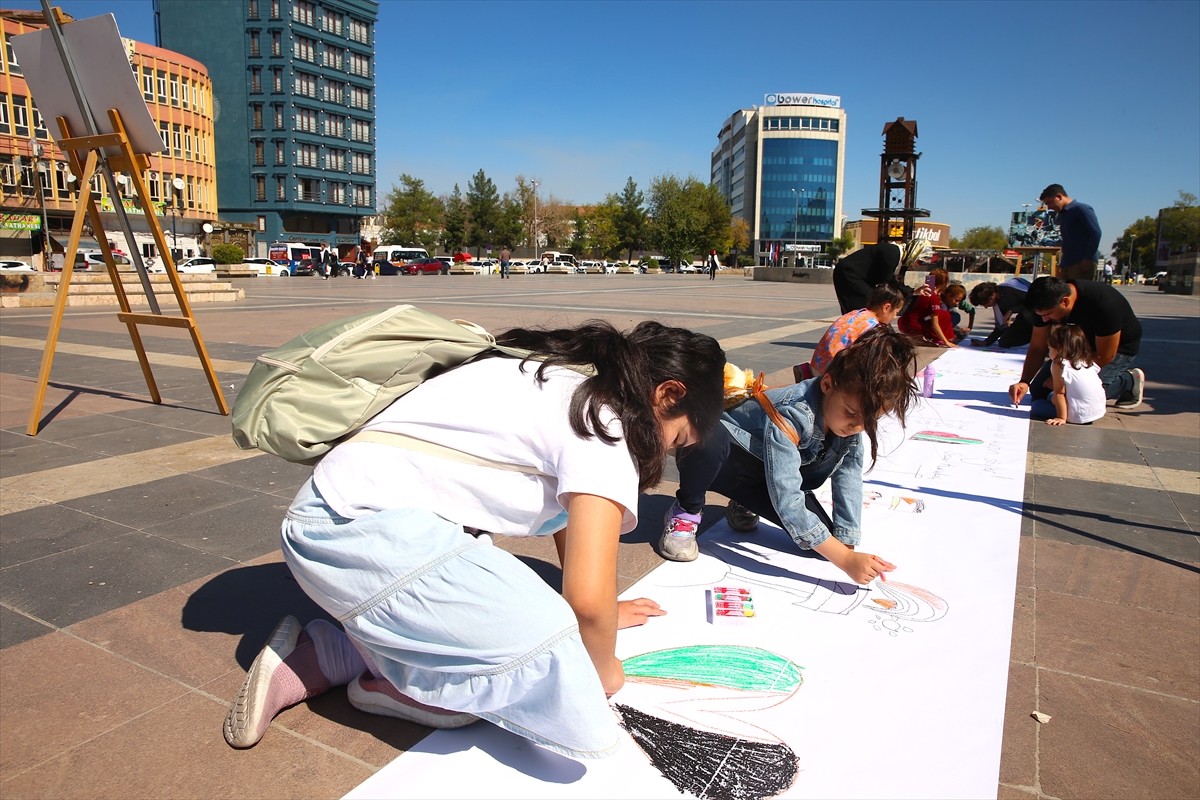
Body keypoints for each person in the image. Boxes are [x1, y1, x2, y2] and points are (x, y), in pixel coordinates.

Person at [223, 320, 726, 760]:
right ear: (668, 395)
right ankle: (393, 681)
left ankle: (329, 650)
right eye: (679, 439)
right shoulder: (605, 428)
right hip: (352, 535)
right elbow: (585, 607)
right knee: (545, 648)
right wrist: (602, 671)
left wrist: (603, 608)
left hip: (349, 521)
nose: (668, 452)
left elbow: (570, 527)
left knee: (533, 618)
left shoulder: (563, 377)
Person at [660, 326, 919, 586]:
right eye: (851, 413)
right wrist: (845, 560)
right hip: (728, 460)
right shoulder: (794, 414)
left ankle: (745, 500)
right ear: (827, 384)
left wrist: (846, 541)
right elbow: (788, 497)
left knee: (821, 543)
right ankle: (687, 509)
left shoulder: (851, 421)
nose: (857, 426)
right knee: (708, 440)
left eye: (868, 420)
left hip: (766, 471)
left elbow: (848, 474)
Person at [1008, 276, 1144, 411]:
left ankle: (1129, 380)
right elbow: (1038, 347)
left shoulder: (1103, 304)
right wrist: (1024, 381)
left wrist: (1065, 381)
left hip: (1117, 349)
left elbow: (1106, 355)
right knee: (1039, 391)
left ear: (1065, 302)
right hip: (1077, 348)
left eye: (1048, 315)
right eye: (1041, 315)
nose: (1044, 320)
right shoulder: (1044, 305)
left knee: (1081, 396)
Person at [795, 281, 905, 381]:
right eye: (896, 312)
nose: (895, 317)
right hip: (830, 374)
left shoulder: (857, 313)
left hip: (816, 365)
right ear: (886, 307)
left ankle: (807, 374)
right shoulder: (873, 327)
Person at [1030, 323, 1106, 426]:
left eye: (1050, 349)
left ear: (1060, 349)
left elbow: (1059, 393)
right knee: (1051, 396)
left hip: (1078, 415)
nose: (1049, 353)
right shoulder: (1085, 360)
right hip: (1097, 411)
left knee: (1037, 406)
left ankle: (1064, 414)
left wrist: (1061, 417)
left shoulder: (1059, 364)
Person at [832, 239, 932, 314]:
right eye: (920, 261)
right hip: (849, 273)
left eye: (923, 264)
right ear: (915, 252)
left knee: (866, 306)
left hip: (857, 276)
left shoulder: (901, 261)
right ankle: (860, 334)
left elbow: (896, 284)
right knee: (868, 306)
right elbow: (888, 283)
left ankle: (858, 334)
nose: (919, 265)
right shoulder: (893, 253)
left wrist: (915, 291)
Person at [1039, 184, 1101, 281]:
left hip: (1081, 262)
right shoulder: (1062, 215)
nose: (1049, 207)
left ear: (1059, 197)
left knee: (1079, 293)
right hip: (1067, 262)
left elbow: (1095, 233)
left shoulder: (1081, 209)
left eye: (1049, 203)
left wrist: (1088, 258)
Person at [898, 268, 956, 347]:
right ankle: (936, 338)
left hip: (904, 323)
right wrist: (946, 342)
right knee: (945, 315)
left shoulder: (921, 292)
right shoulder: (933, 297)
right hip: (914, 327)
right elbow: (934, 324)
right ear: (944, 283)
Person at [969, 278, 1035, 348]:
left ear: (993, 295)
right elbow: (1000, 326)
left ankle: (1041, 337)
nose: (985, 307)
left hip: (1039, 314)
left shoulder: (1010, 289)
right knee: (1004, 342)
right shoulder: (996, 304)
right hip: (1024, 320)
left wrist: (1012, 310)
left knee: (1029, 313)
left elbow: (1034, 301)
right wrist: (986, 342)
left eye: (985, 303)